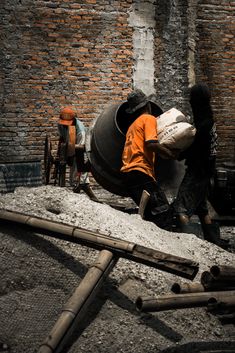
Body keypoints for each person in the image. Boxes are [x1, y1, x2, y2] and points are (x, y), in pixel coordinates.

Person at [172, 83, 229, 248]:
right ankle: (214, 241)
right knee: (202, 207)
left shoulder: (203, 126)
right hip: (206, 172)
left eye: (192, 99)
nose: (190, 101)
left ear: (196, 101)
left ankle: (188, 243)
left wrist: (178, 154)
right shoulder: (210, 122)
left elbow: (197, 150)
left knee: (180, 207)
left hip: (198, 172)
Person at [120, 89, 178, 230]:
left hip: (128, 176)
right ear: (148, 106)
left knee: (151, 216)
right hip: (141, 173)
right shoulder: (149, 119)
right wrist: (170, 154)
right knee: (163, 212)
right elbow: (151, 143)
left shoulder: (132, 126)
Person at [58, 107, 99, 202]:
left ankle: (84, 191)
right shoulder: (60, 125)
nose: (65, 125)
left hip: (80, 149)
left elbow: (81, 150)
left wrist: (78, 165)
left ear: (73, 120)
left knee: (80, 173)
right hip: (70, 147)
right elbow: (62, 138)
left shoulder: (81, 130)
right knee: (74, 175)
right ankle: (79, 190)